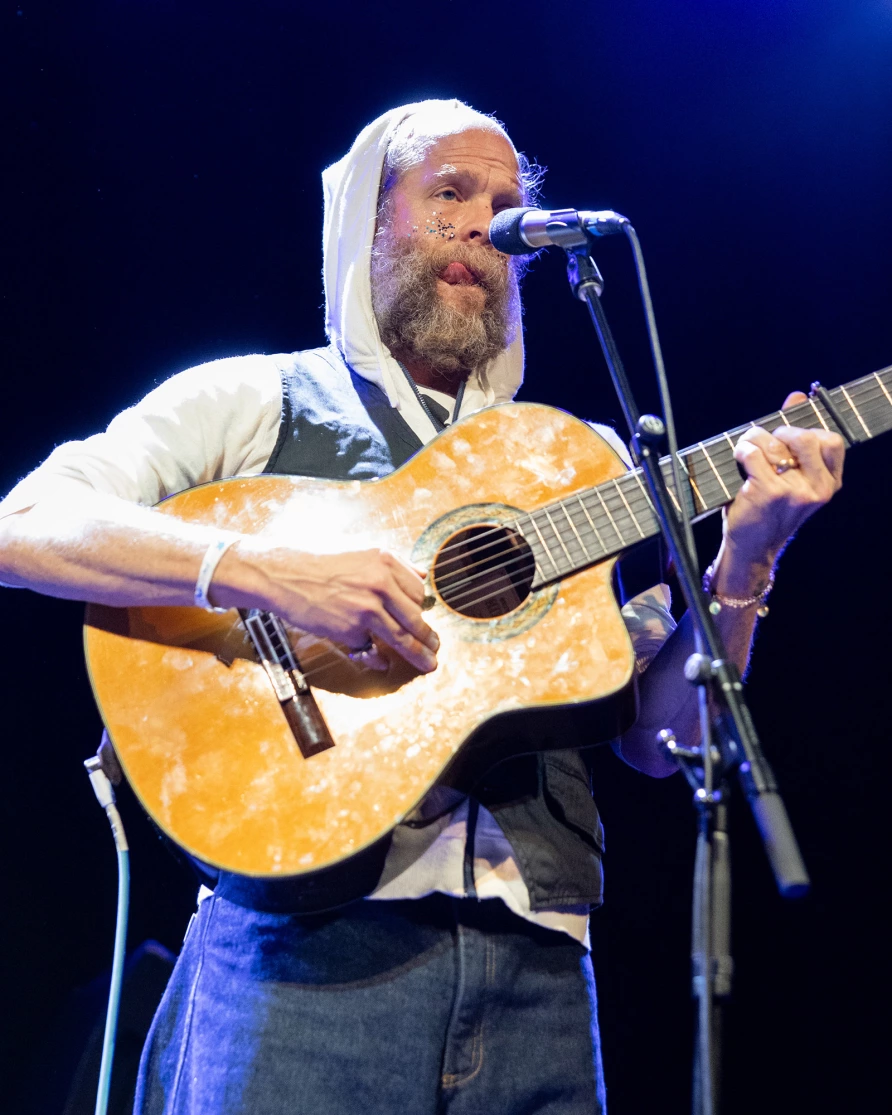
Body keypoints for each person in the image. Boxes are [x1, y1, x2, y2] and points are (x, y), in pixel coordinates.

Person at [0, 100, 844, 1114]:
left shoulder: (568, 460)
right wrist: (262, 571)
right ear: (369, 223)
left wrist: (744, 559)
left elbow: (662, 742)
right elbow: (26, 524)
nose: (483, 227)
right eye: (449, 194)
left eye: (504, 207)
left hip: (538, 970)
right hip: (299, 956)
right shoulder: (250, 399)